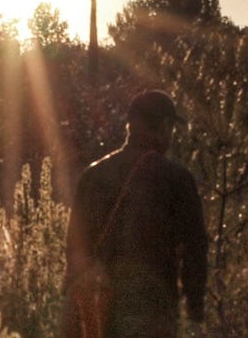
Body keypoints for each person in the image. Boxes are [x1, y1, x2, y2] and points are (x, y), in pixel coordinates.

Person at [63, 90, 208, 338]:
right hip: (153, 306)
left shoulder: (92, 175)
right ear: (164, 126)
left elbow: (74, 248)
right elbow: (195, 248)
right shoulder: (177, 179)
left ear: (130, 125)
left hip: (99, 305)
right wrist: (194, 305)